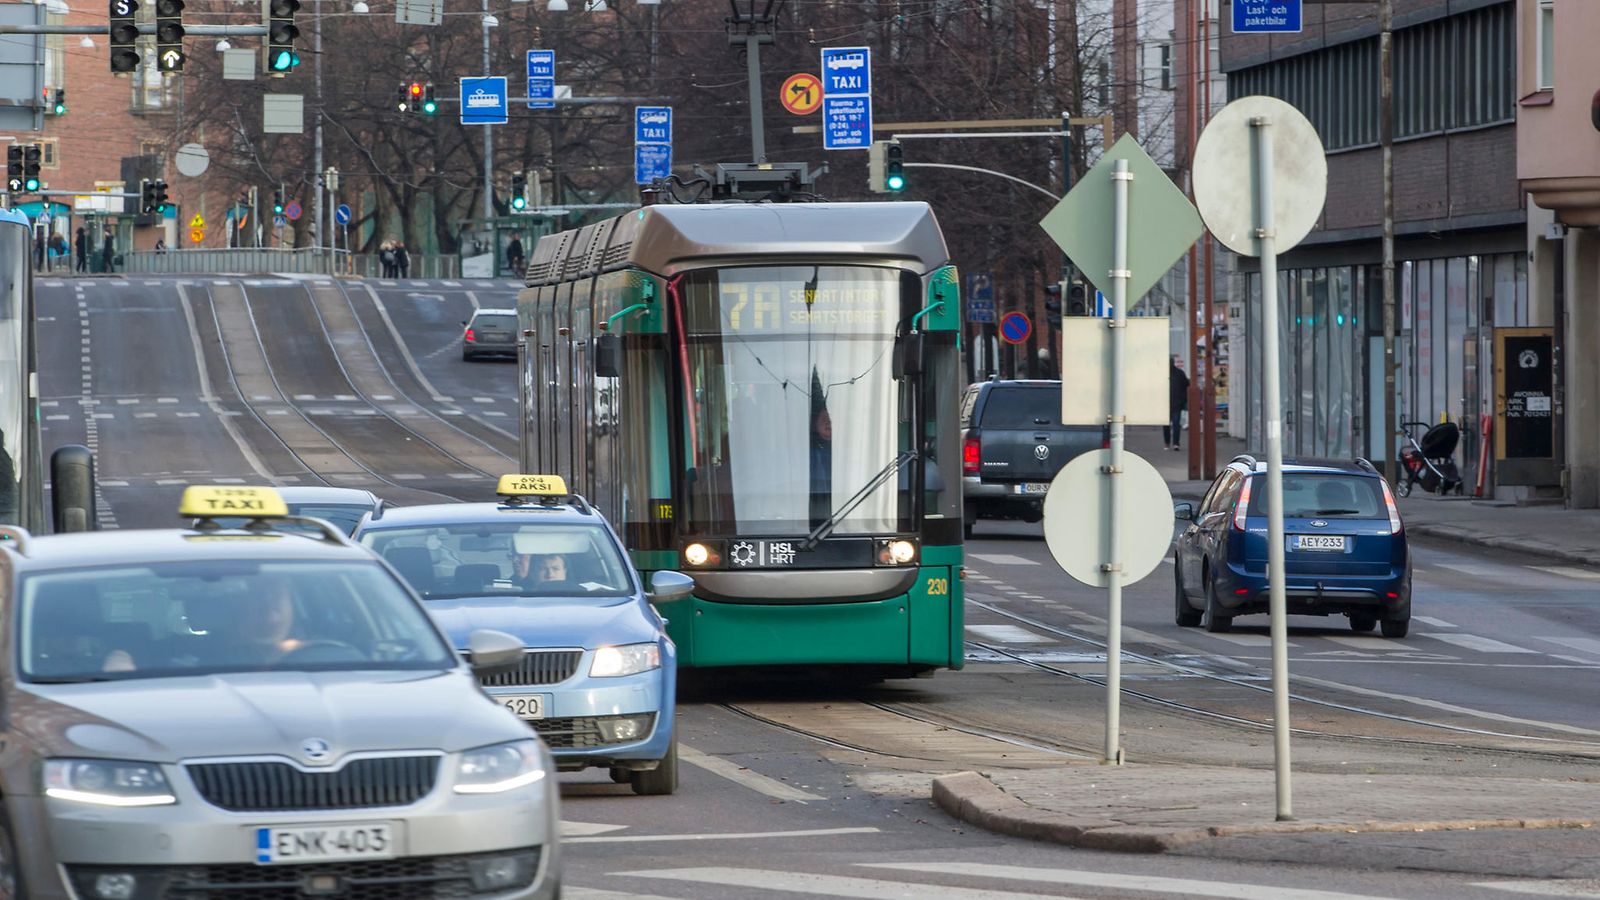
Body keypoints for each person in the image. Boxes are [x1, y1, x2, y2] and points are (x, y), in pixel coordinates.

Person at [1166, 354, 1190, 451]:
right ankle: (1175, 443)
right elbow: (1187, 385)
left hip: (1167, 403)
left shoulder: (1163, 373)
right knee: (1176, 424)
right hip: (1177, 403)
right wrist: (1183, 399)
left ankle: (1168, 443)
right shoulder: (1180, 373)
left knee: (1167, 425)